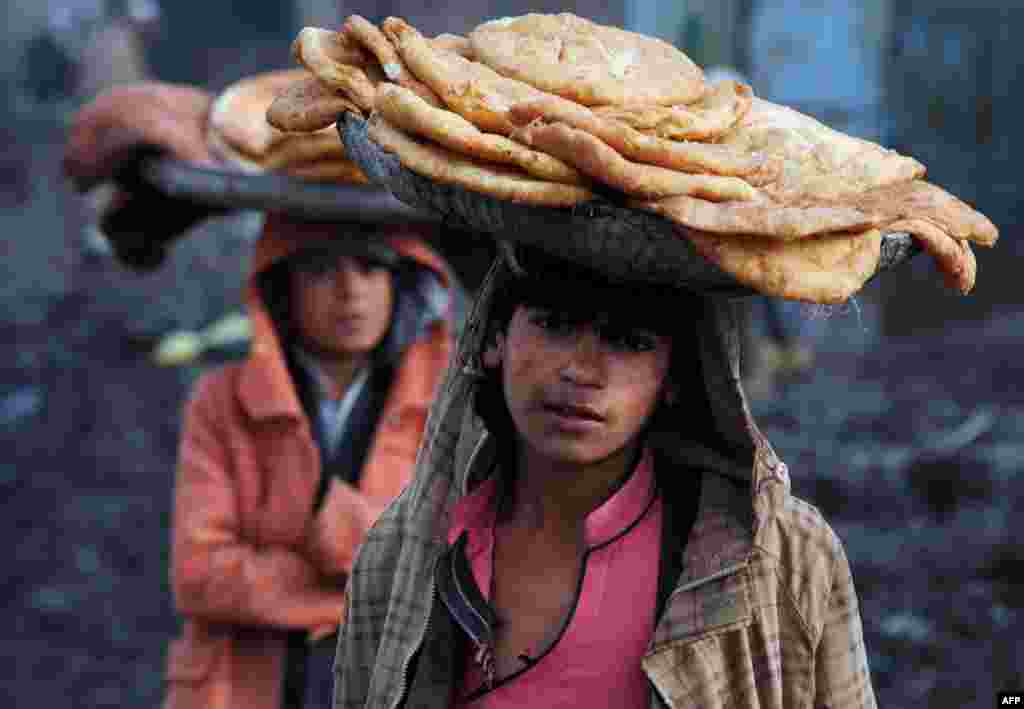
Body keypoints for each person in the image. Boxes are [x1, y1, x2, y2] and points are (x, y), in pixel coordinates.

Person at [333, 244, 876, 708]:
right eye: (554, 324)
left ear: (674, 378)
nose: (581, 371)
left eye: (629, 341)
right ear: (494, 339)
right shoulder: (400, 556)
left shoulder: (782, 558)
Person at [64, 82, 457, 709]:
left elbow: (444, 572)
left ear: (403, 285)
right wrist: (358, 570)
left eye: (371, 269)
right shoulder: (220, 402)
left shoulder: (449, 408)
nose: (351, 293)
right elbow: (199, 578)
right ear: (281, 287)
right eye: (324, 270)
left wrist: (311, 541)